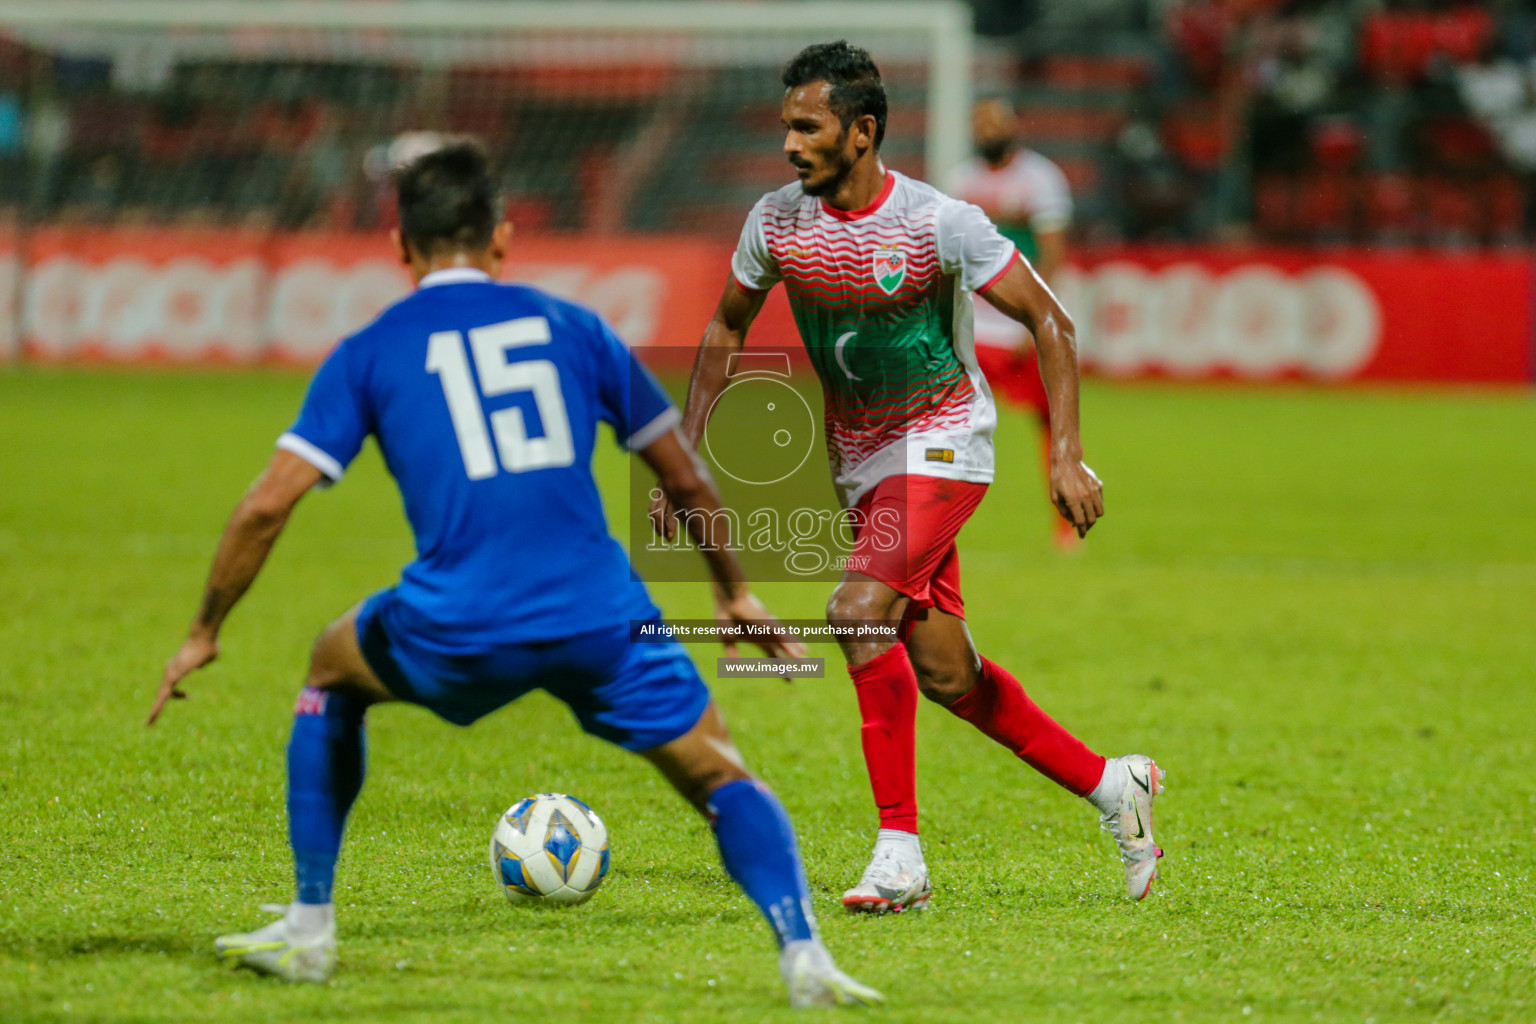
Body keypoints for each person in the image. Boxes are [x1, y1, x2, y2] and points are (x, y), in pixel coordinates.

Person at [148, 141, 881, 1009]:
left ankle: (310, 928)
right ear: (500, 238)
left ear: (399, 247)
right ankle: (804, 953)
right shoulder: (575, 326)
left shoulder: (370, 349)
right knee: (722, 772)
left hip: (458, 621)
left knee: (329, 668)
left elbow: (267, 505)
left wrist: (204, 632)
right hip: (601, 618)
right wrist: (734, 593)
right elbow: (683, 472)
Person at [651, 43, 1165, 914]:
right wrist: (687, 454)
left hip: (944, 440)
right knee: (945, 673)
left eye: (807, 126)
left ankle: (901, 856)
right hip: (861, 462)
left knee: (855, 612)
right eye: (786, 126)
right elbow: (723, 330)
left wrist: (1064, 451)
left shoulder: (939, 222)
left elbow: (1051, 319)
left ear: (863, 131)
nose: (790, 144)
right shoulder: (776, 223)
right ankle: (1115, 785)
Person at [950, 96, 1080, 549]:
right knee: (948, 423)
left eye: (995, 122)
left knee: (1052, 421)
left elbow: (1052, 253)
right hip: (974, 327)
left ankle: (1065, 522)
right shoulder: (960, 179)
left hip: (1019, 323)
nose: (986, 130)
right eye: (979, 122)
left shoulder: (1040, 178)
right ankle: (939, 522)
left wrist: (1035, 321)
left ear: (1013, 126)